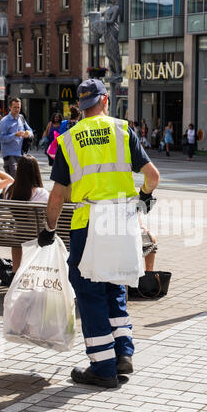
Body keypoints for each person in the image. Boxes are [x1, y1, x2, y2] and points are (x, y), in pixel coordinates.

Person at [37, 78, 160, 389]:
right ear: (105, 101)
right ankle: (123, 355)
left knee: (89, 291)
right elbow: (153, 176)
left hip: (88, 222)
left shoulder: (68, 139)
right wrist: (144, 196)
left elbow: (57, 195)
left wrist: (49, 229)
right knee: (115, 283)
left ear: (81, 106)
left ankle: (103, 367)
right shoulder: (122, 129)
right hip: (121, 220)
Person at [5, 154, 49, 280]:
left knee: (18, 236)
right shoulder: (41, 193)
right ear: (36, 171)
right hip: (35, 235)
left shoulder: (9, 190)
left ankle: (15, 271)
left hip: (16, 234)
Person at [0, 98, 33, 178]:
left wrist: (28, 134)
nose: (17, 109)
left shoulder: (21, 118)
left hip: (20, 153)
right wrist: (15, 135)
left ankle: (7, 190)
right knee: (14, 179)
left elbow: (30, 130)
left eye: (19, 107)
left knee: (19, 179)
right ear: (10, 107)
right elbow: (0, 138)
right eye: (15, 107)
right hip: (9, 154)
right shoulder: (4, 121)